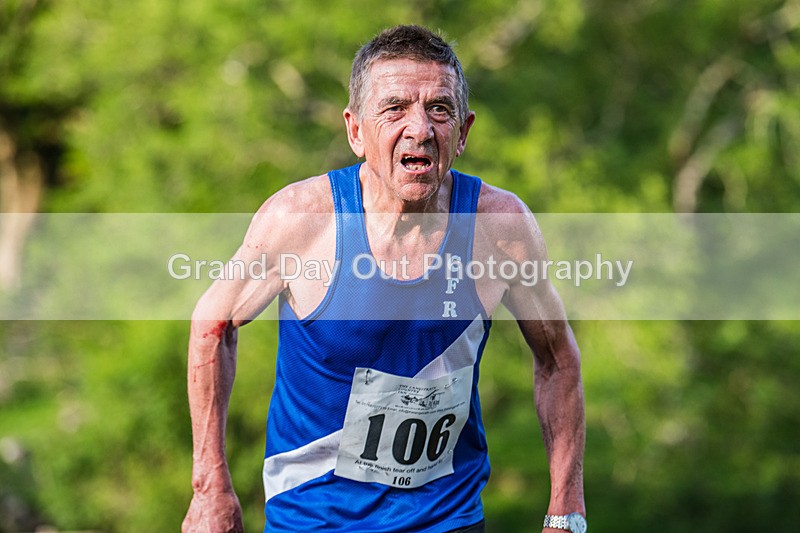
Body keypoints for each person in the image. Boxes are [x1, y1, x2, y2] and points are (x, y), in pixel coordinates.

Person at [182, 25, 586, 533]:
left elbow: (557, 358)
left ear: (463, 133)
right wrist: (210, 486)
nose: (419, 128)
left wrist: (566, 511)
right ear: (355, 131)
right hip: (314, 520)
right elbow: (211, 325)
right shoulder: (300, 220)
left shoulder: (500, 228)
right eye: (395, 108)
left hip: (448, 518)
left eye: (439, 109)